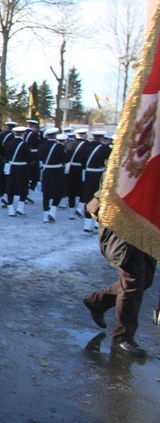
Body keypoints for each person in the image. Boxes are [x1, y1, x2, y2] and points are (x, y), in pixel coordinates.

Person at [82, 192, 156, 357]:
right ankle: (122, 337)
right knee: (133, 281)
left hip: (148, 222)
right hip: (127, 219)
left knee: (146, 280)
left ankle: (97, 301)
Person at [77, 131, 111, 233]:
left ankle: (87, 225)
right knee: (99, 197)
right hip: (99, 175)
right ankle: (97, 223)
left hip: (87, 173)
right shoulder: (105, 148)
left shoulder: (85, 147)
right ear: (101, 138)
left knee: (88, 197)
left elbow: (81, 161)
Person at [38, 127, 67, 223]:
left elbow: (40, 158)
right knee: (58, 193)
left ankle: (45, 216)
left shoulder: (41, 146)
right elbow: (66, 159)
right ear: (55, 136)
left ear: (47, 136)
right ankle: (53, 210)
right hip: (57, 171)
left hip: (46, 171)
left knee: (45, 194)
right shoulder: (59, 147)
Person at [3, 126, 31, 216]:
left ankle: (10, 209)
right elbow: (29, 158)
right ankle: (20, 208)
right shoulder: (25, 144)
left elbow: (5, 156)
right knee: (23, 187)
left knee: (10, 188)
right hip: (22, 168)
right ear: (23, 134)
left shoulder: (8, 144)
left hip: (11, 168)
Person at [64, 127, 88, 219]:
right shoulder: (86, 145)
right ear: (84, 135)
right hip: (82, 170)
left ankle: (71, 213)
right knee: (83, 189)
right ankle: (80, 208)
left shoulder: (69, 144)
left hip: (70, 169)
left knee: (71, 191)